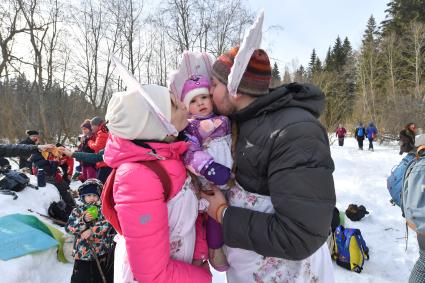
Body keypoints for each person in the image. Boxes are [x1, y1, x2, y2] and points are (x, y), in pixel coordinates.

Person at [201, 47, 336, 282]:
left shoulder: (295, 132)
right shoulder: (238, 123)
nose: (209, 92)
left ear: (234, 89)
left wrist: (223, 214)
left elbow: (299, 234)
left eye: (214, 85)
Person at [103, 85, 212, 282]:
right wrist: (202, 278)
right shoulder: (137, 176)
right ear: (156, 123)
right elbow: (153, 275)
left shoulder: (169, 156)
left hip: (182, 270)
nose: (182, 103)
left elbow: (190, 217)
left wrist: (198, 255)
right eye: (172, 103)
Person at [181, 75, 232, 271]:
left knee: (230, 208)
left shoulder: (224, 119)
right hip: (209, 176)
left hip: (231, 173)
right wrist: (208, 168)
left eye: (203, 97)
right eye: (193, 101)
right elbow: (190, 152)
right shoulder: (190, 127)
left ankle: (231, 245)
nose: (200, 103)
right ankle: (215, 250)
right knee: (214, 213)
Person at [65, 179, 115, 283]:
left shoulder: (103, 209)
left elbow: (108, 223)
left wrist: (92, 230)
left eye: (94, 195)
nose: (92, 198)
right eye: (89, 195)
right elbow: (69, 227)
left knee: (99, 277)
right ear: (83, 196)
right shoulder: (78, 210)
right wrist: (83, 220)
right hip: (82, 254)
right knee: (81, 278)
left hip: (100, 252)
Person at [88, 117, 111, 183]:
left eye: (92, 125)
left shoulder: (102, 133)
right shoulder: (102, 132)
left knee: (101, 184)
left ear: (97, 125)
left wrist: (90, 142)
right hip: (104, 163)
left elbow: (97, 147)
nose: (91, 127)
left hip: (104, 164)